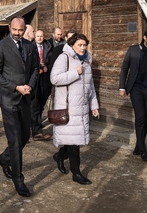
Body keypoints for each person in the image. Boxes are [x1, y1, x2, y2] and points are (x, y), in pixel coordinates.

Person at [0, 17, 39, 197]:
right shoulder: (1, 46)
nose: (18, 33)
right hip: (8, 98)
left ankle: (4, 159)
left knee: (26, 135)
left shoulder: (29, 45)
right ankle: (18, 178)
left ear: (25, 28)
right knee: (15, 139)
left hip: (25, 97)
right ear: (9, 27)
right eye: (15, 30)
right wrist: (15, 87)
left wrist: (30, 86)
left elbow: (34, 69)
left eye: (21, 30)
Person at [50, 33, 100, 185]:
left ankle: (60, 156)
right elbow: (54, 78)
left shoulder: (86, 61)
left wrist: (94, 106)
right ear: (72, 45)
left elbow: (90, 86)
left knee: (75, 141)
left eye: (85, 45)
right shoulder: (63, 58)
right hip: (69, 109)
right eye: (80, 45)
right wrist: (74, 73)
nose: (83, 48)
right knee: (74, 144)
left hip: (82, 108)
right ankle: (76, 173)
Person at [119, 28, 147, 162]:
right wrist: (122, 87)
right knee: (141, 116)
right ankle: (143, 150)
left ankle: (139, 145)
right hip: (136, 88)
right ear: (144, 38)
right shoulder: (133, 50)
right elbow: (124, 68)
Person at [31, 29, 53, 141]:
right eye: (37, 36)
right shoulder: (30, 47)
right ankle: (37, 131)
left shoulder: (48, 46)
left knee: (42, 101)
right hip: (34, 78)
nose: (39, 38)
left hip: (44, 78)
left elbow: (52, 61)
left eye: (41, 36)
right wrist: (38, 65)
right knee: (34, 104)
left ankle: (36, 123)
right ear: (34, 36)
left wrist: (46, 67)